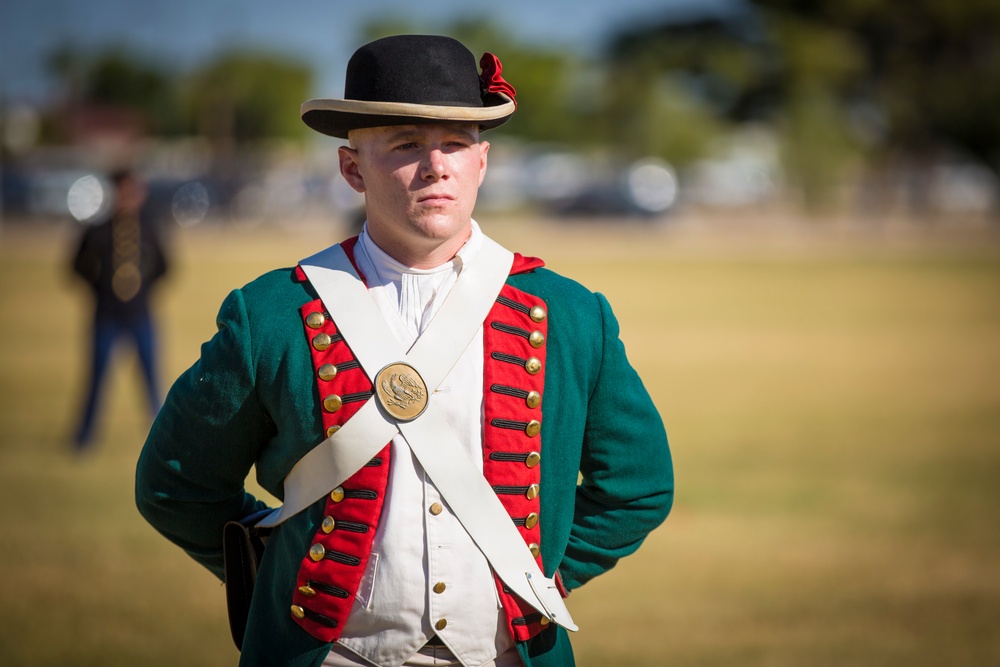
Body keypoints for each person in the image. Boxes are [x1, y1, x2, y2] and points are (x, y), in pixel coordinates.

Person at [136, 34, 673, 667]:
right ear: (351, 168)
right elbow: (176, 484)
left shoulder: (572, 315)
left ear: (482, 162)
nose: (435, 165)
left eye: (455, 144)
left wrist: (539, 582)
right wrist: (286, 571)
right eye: (405, 145)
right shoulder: (269, 315)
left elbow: (638, 485)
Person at [72, 168, 168, 450]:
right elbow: (76, 266)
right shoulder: (97, 230)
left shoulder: (149, 228)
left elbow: (165, 266)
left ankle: (162, 439)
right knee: (96, 378)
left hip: (141, 316)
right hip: (107, 316)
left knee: (151, 381)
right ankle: (84, 437)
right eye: (125, 191)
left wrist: (145, 291)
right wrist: (98, 289)